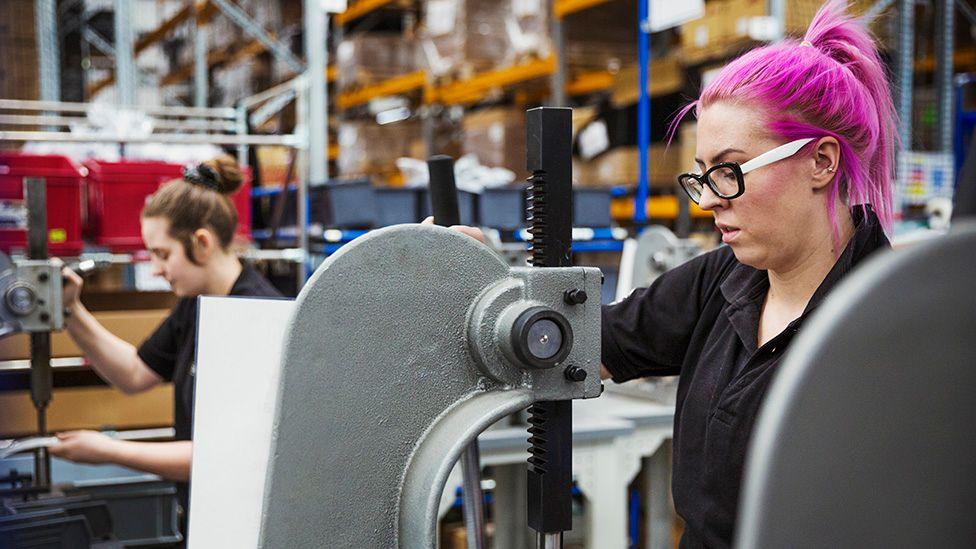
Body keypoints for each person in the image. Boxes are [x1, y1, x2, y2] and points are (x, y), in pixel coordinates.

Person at [601, 2, 896, 546]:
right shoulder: (722, 280)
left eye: (729, 171)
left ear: (821, 162)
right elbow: (582, 346)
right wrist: (469, 284)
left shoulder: (891, 320)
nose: (710, 200)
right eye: (701, 177)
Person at [48, 155, 282, 533]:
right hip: (202, 515)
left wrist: (109, 451)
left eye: (162, 254)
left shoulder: (258, 317)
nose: (156, 269)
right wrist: (70, 309)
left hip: (243, 526)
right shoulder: (195, 304)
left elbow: (226, 456)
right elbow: (134, 373)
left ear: (201, 243)